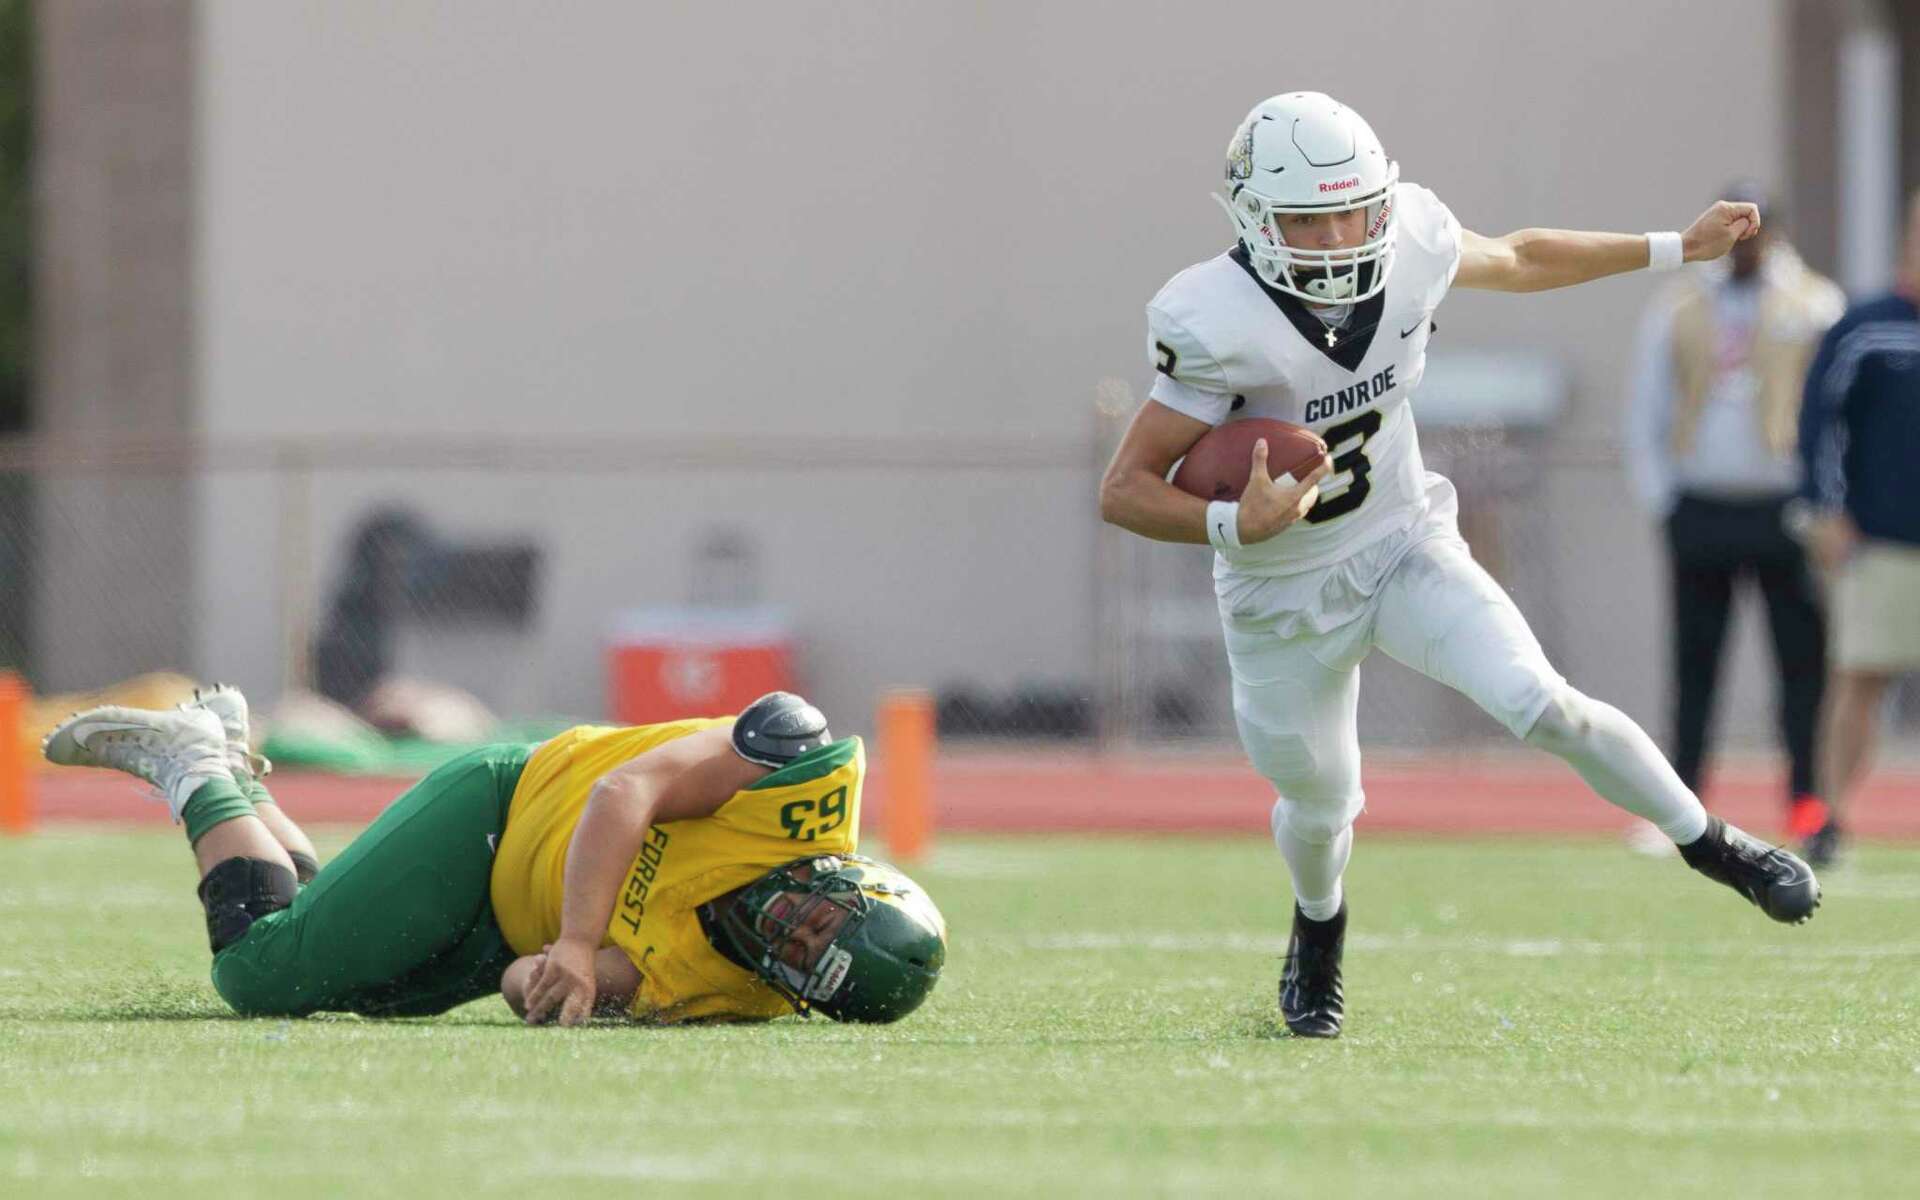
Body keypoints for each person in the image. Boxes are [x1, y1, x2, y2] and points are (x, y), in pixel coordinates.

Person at [1098, 93, 1819, 1039]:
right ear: (1254, 218)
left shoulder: (1414, 247)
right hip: (1282, 591)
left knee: (1544, 702)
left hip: (1402, 542)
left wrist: (1673, 248)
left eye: (1353, 209)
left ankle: (1715, 845)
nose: (1338, 235)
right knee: (1320, 802)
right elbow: (1125, 488)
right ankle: (1319, 932)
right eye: (1309, 218)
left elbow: (1520, 256)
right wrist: (1234, 522)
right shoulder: (1212, 317)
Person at [42, 685, 946, 1025]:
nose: (786, 930)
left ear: (795, 992)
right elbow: (621, 793)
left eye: (799, 960)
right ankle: (193, 768)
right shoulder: (802, 781)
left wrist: (557, 987)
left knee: (338, 988)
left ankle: (233, 766)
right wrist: (583, 946)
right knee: (256, 976)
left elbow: (526, 978)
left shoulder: (730, 987)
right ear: (850, 880)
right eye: (818, 921)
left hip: (501, 928)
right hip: (502, 811)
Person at [1623, 184, 1844, 853]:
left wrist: (1822, 503)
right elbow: (1647, 409)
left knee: (1802, 668)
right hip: (1704, 506)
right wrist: (1665, 499)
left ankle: (1809, 806)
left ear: (1774, 235)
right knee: (1695, 668)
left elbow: (1834, 416)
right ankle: (1682, 811)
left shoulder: (1815, 305)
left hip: (1785, 510)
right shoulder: (1680, 306)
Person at [1794, 188, 1920, 867]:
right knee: (1858, 682)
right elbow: (1817, 424)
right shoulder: (1865, 327)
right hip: (1880, 542)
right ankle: (1830, 817)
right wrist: (1825, 509)